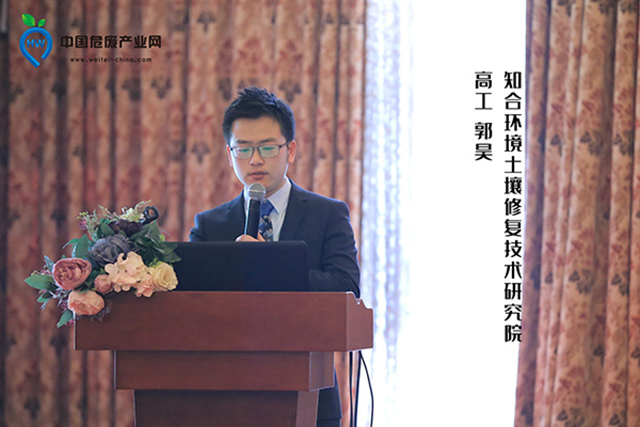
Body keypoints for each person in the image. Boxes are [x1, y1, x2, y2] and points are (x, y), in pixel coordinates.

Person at [189, 87, 360, 427]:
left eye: (267, 147)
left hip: (310, 391)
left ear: (290, 150)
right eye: (243, 149)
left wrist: (269, 267)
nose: (255, 159)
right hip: (225, 394)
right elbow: (194, 302)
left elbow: (346, 285)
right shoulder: (210, 225)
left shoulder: (328, 214)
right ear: (229, 154)